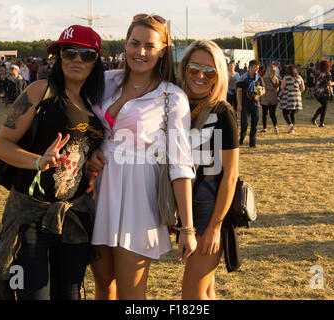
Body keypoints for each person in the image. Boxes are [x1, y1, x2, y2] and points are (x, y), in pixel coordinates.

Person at [0, 25, 106, 300]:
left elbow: (80, 151)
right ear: (59, 57)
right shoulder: (42, 91)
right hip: (31, 216)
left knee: (69, 294)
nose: (77, 60)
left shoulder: (93, 104)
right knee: (32, 294)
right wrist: (39, 161)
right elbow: (1, 145)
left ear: (96, 61)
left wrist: (91, 159)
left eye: (87, 55)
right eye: (69, 52)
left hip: (73, 217)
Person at [86, 14, 197, 300]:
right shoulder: (105, 81)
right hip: (97, 191)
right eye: (134, 43)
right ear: (125, 44)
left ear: (162, 51)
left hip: (138, 197)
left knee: (131, 294)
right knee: (103, 286)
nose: (141, 52)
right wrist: (91, 153)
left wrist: (187, 227)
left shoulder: (172, 97)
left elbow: (181, 163)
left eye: (150, 46)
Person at [177, 40, 239, 300]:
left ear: (219, 75)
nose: (200, 76)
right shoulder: (176, 104)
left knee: (192, 293)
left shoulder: (223, 112)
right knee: (206, 289)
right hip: (183, 203)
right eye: (193, 69)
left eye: (209, 71)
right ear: (184, 70)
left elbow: (231, 175)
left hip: (207, 205)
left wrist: (216, 225)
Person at [236, 60, 265, 148]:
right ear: (249, 67)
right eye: (254, 67)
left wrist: (260, 93)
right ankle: (242, 137)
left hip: (255, 103)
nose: (256, 69)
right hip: (245, 104)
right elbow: (238, 92)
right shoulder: (243, 78)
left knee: (254, 124)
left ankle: (252, 142)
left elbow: (264, 89)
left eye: (257, 67)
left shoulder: (259, 78)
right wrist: (239, 104)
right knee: (244, 123)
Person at [278, 64, 304, 133]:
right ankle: (292, 129)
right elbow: (303, 88)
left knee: (285, 112)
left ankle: (290, 124)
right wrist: (297, 91)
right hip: (297, 97)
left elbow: (282, 87)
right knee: (293, 113)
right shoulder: (299, 77)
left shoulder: (286, 77)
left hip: (288, 96)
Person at [311, 60, 334, 127]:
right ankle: (321, 122)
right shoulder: (327, 73)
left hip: (317, 92)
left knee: (323, 106)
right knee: (324, 107)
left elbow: (314, 81)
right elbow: (329, 83)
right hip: (324, 93)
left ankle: (314, 118)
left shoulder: (318, 73)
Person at [260, 64, 279, 134]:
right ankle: (275, 127)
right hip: (273, 98)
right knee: (272, 114)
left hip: (265, 98)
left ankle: (264, 128)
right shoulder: (275, 78)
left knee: (264, 114)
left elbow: (262, 87)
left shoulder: (263, 78)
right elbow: (277, 88)